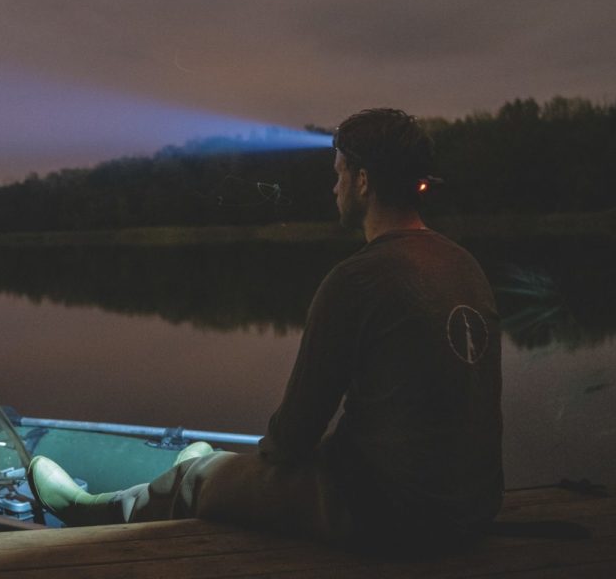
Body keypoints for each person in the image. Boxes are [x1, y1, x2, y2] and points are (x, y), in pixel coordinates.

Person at [28, 109, 503, 551]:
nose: (333, 188)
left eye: (338, 174)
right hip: (472, 508)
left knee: (198, 480)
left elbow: (291, 439)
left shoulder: (358, 279)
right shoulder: (464, 264)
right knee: (224, 464)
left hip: (386, 516)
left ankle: (90, 510)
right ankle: (198, 464)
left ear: (362, 181)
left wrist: (242, 474)